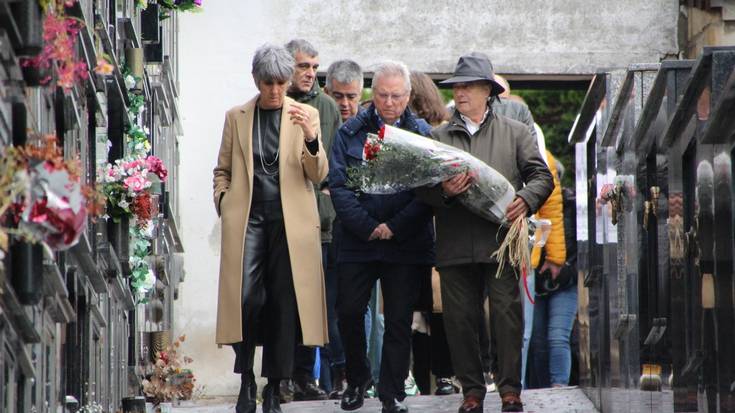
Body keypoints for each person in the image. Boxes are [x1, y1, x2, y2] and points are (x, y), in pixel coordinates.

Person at [417, 52, 553, 413]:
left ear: (487, 91)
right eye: (456, 86)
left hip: (502, 244)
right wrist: (443, 192)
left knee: (507, 318)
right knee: (460, 322)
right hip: (455, 244)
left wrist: (525, 199)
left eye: (468, 86)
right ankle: (472, 393)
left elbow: (543, 177)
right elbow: (421, 190)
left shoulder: (517, 132)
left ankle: (510, 391)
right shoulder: (438, 136)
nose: (460, 92)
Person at [212, 44, 329, 413]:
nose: (275, 91)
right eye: (268, 83)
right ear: (256, 81)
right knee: (244, 298)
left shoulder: (305, 114)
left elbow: (319, 173)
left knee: (284, 304)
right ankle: (246, 376)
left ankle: (274, 388)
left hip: (289, 224)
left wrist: (311, 138)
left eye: (281, 83)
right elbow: (222, 171)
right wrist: (224, 203)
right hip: (248, 220)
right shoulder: (237, 116)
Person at [329, 61, 435, 413]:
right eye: (383, 95)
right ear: (373, 95)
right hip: (359, 238)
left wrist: (395, 227)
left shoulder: (421, 133)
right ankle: (358, 380)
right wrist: (367, 226)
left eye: (396, 96)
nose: (389, 102)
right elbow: (339, 185)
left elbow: (427, 190)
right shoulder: (349, 131)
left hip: (405, 241)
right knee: (349, 312)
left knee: (399, 319)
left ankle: (391, 393)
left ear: (408, 96)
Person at [282, 38, 341, 403]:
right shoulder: (274, 103)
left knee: (314, 305)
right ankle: (281, 376)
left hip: (321, 223)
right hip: (282, 220)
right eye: (304, 66)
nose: (310, 74)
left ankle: (305, 375)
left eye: (315, 67)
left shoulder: (327, 107)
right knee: (282, 303)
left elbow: (329, 166)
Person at [406, 71, 456, 396]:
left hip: (429, 226)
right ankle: (443, 378)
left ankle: (432, 378)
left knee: (429, 309)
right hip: (423, 225)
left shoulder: (436, 135)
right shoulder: (443, 132)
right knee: (432, 310)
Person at [529, 155, 578, 388]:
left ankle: (559, 387)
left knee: (557, 337)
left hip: (565, 281)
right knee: (537, 340)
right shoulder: (530, 207)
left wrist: (567, 269)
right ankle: (540, 390)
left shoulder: (573, 205)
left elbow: (582, 247)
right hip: (536, 279)